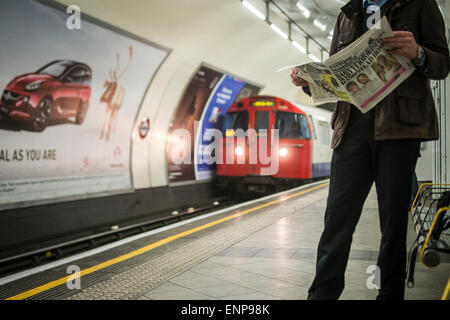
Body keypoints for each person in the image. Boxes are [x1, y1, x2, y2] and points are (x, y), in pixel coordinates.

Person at [290, 0, 449, 300]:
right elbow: (335, 73)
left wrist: (420, 53)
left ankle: (389, 295)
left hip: (399, 131)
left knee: (393, 228)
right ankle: (322, 295)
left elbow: (442, 63)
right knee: (336, 222)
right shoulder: (347, 14)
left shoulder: (421, 5)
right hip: (350, 131)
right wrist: (309, 81)